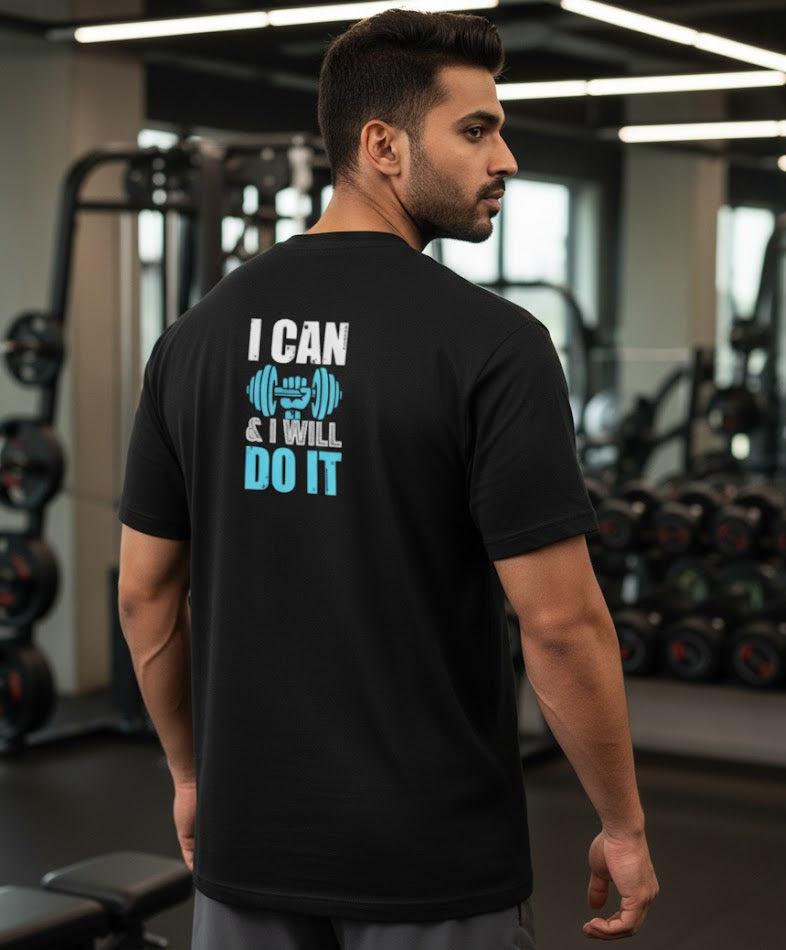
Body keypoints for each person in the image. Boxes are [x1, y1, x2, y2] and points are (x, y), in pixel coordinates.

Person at [117, 9, 658, 950]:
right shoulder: (496, 346)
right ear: (383, 146)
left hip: (248, 844)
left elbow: (144, 595)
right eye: (476, 130)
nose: (507, 160)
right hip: (429, 861)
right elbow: (562, 626)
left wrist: (193, 776)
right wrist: (623, 823)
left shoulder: (192, 340)